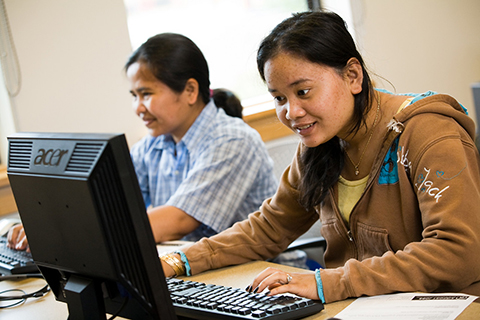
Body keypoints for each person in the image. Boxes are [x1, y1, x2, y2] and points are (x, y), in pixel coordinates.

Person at [158, 11, 480, 304]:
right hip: (355, 309)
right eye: (279, 98)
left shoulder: (428, 132)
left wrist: (328, 282)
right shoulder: (319, 146)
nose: (292, 112)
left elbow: (459, 252)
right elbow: (270, 226)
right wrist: (180, 260)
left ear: (353, 76)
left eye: (303, 91)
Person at [7, 33, 278, 249]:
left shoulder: (232, 140)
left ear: (190, 91)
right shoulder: (152, 145)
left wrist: (69, 233)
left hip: (253, 280)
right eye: (134, 96)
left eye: (146, 93)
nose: (138, 108)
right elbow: (111, 202)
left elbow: (178, 220)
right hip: (185, 270)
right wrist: (52, 223)